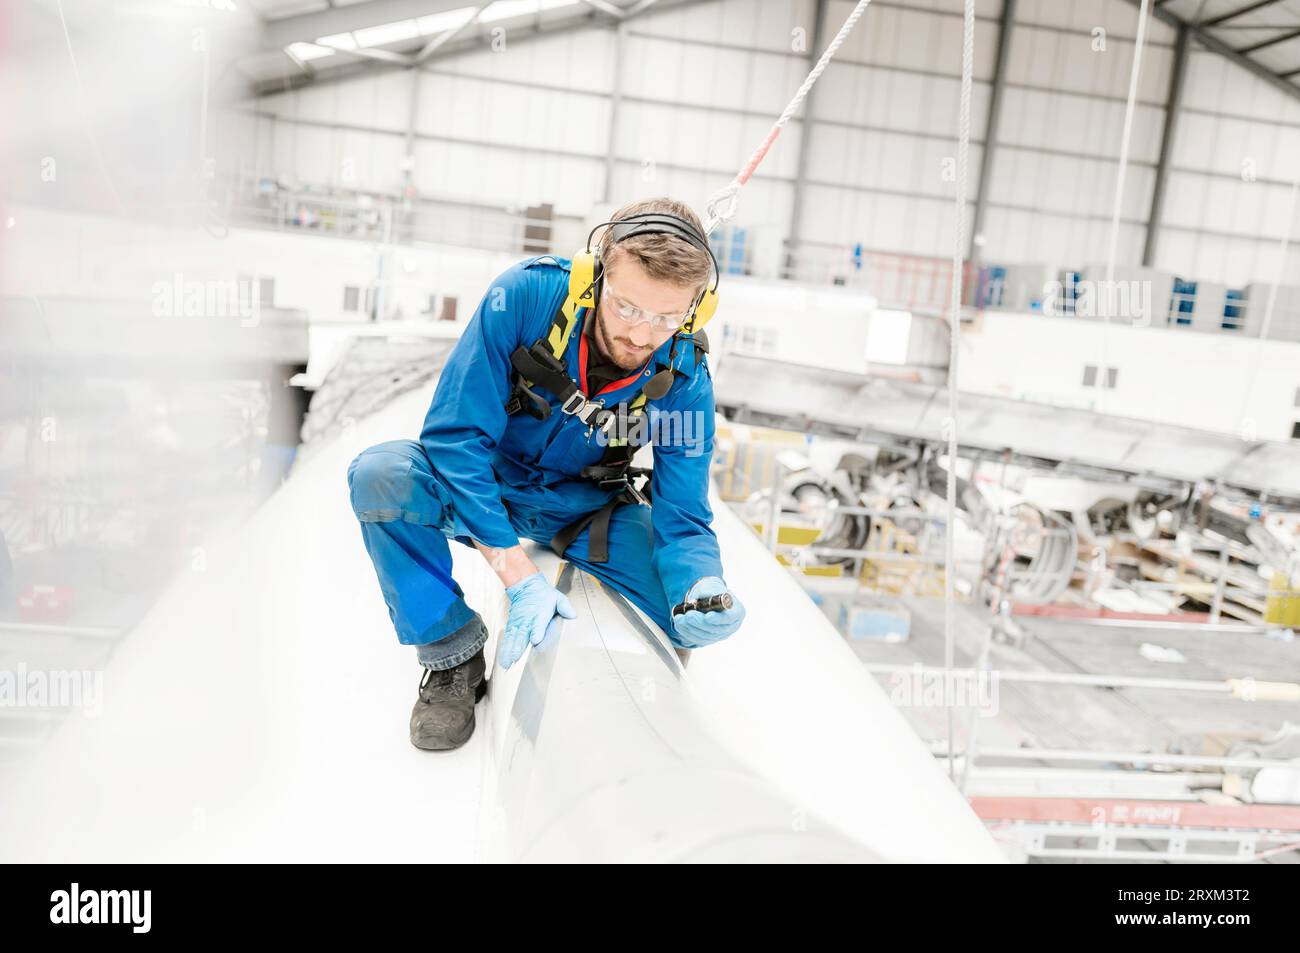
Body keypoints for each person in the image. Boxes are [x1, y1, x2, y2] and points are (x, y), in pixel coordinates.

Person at [347, 197, 746, 750]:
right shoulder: (527, 299)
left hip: (586, 507)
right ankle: (451, 654)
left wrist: (700, 582)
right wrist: (515, 572)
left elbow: (683, 512)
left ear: (695, 310)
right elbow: (456, 437)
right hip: (486, 486)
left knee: (683, 618)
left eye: (665, 317)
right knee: (382, 476)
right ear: (597, 273)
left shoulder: (683, 373)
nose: (640, 334)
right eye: (627, 307)